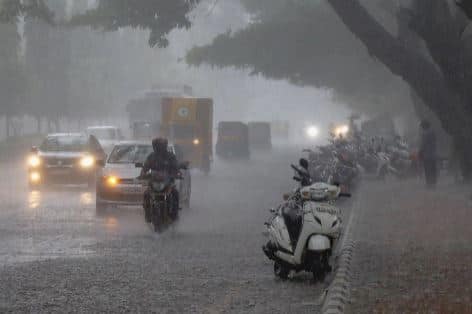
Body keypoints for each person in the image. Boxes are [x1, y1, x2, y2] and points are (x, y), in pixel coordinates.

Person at [141, 137, 179, 222]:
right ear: (154, 146)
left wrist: (176, 173)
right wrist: (143, 173)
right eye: (157, 146)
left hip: (167, 182)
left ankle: (174, 215)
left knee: (175, 193)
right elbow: (146, 166)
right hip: (154, 182)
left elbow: (175, 167)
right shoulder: (151, 156)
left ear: (165, 146)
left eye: (161, 146)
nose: (159, 148)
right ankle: (147, 214)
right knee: (146, 194)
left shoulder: (170, 156)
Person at [419, 120, 438, 188]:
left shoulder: (425, 133)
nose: (421, 128)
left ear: (424, 126)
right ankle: (434, 183)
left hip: (426, 155)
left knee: (427, 169)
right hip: (433, 154)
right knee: (433, 169)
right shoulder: (433, 132)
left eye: (422, 126)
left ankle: (429, 184)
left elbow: (423, 144)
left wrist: (420, 152)